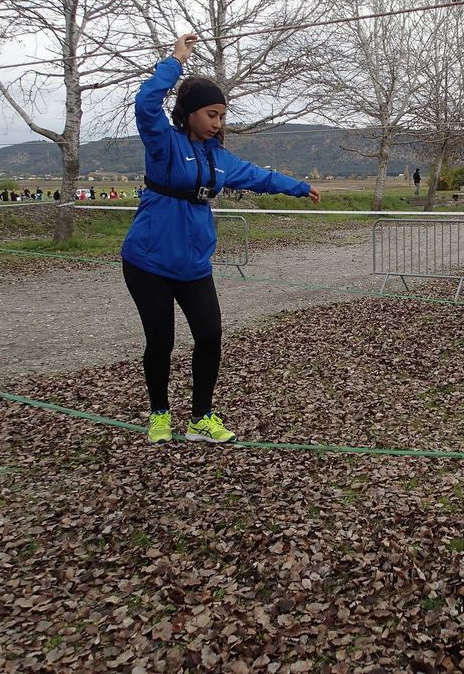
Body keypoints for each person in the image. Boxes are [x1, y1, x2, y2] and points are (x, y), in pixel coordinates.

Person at [122, 33, 320, 445]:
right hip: (149, 261)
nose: (217, 123)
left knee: (210, 336)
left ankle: (200, 418)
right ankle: (159, 412)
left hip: (193, 264)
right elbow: (146, 104)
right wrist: (175, 61)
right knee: (161, 341)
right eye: (211, 114)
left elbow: (260, 176)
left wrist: (299, 187)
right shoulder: (164, 144)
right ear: (190, 113)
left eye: (221, 117)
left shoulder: (220, 159)